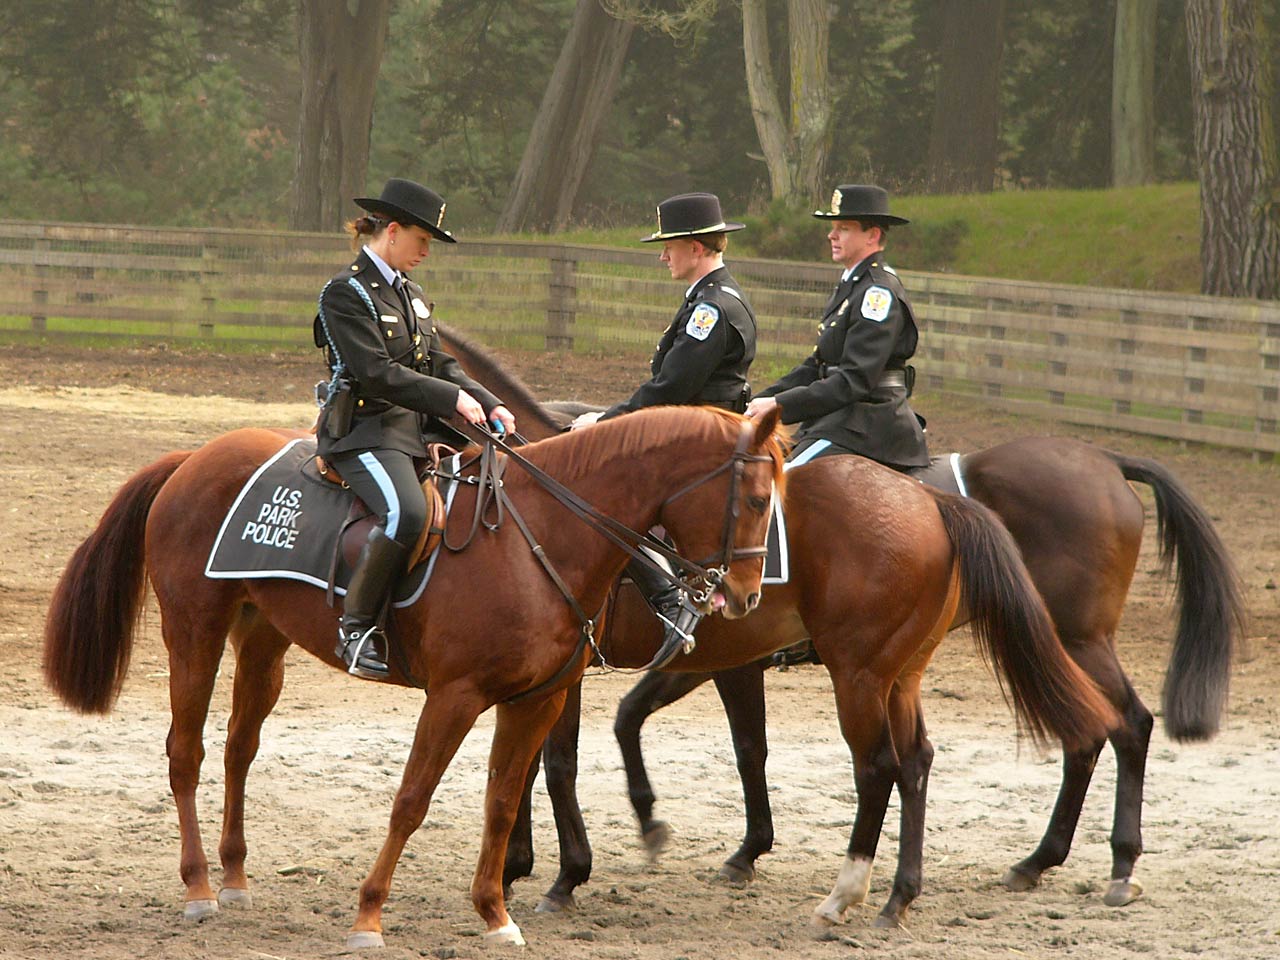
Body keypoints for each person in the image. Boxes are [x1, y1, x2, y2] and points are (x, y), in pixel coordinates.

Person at [314, 177, 516, 680]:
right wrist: (452, 399)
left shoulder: (411, 294)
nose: (427, 252)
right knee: (405, 512)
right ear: (394, 231)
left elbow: (438, 363)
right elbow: (375, 372)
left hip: (408, 434)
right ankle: (356, 630)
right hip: (360, 433)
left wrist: (491, 401)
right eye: (423, 241)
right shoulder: (345, 292)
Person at [570, 192, 758, 650]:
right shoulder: (710, 299)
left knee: (613, 498)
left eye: (669, 245)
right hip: (692, 434)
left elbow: (670, 388)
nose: (662, 255)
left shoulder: (711, 308)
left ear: (696, 248)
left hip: (696, 445)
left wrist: (608, 423)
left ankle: (668, 597)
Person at [745, 184, 929, 471]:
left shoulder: (877, 294)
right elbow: (817, 366)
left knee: (785, 480)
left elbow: (854, 379)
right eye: (833, 227)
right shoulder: (853, 285)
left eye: (843, 228)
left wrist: (779, 405)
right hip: (839, 419)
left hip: (870, 426)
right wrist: (762, 401)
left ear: (873, 235)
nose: (831, 235)